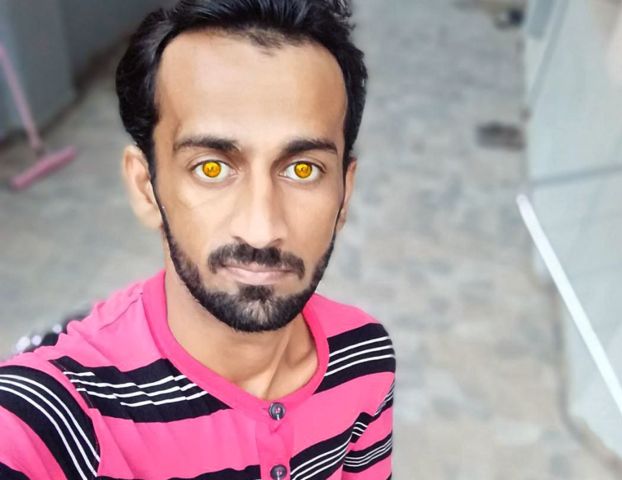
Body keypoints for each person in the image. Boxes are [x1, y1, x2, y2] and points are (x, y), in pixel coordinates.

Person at [0, 0, 396, 478]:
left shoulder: (366, 359)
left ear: (344, 194)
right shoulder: (51, 418)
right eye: (211, 168)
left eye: (303, 169)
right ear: (146, 188)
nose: (261, 229)